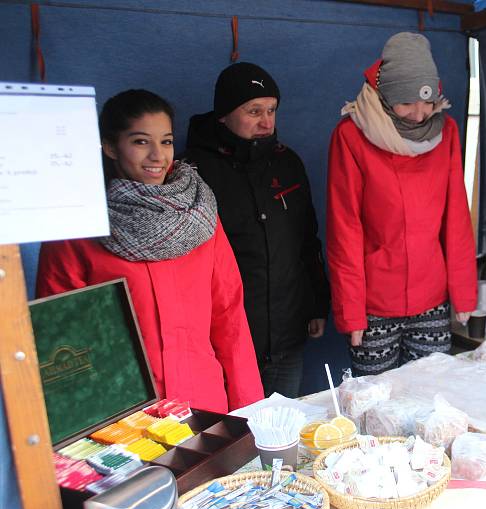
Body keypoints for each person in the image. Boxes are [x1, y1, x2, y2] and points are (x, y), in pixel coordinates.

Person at [36, 89, 264, 413]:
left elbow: (230, 318)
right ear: (110, 146)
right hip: (122, 416)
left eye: (166, 141)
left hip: (203, 405)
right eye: (141, 142)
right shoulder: (79, 226)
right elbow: (61, 339)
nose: (158, 155)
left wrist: (248, 411)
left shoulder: (199, 215)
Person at [326, 32, 477, 376]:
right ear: (386, 94)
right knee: (376, 408)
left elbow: (456, 216)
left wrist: (464, 294)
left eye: (427, 101)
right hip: (374, 303)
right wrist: (351, 312)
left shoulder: (447, 131)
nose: (419, 113)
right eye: (406, 102)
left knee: (430, 401)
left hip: (432, 299)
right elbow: (344, 228)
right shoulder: (352, 135)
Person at [183, 63, 330, 398]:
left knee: (282, 435)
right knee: (234, 442)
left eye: (272, 110)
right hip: (225, 342)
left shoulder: (288, 162)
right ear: (224, 114)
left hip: (287, 333)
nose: (266, 122)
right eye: (253, 111)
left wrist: (317, 304)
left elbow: (307, 240)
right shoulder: (192, 170)